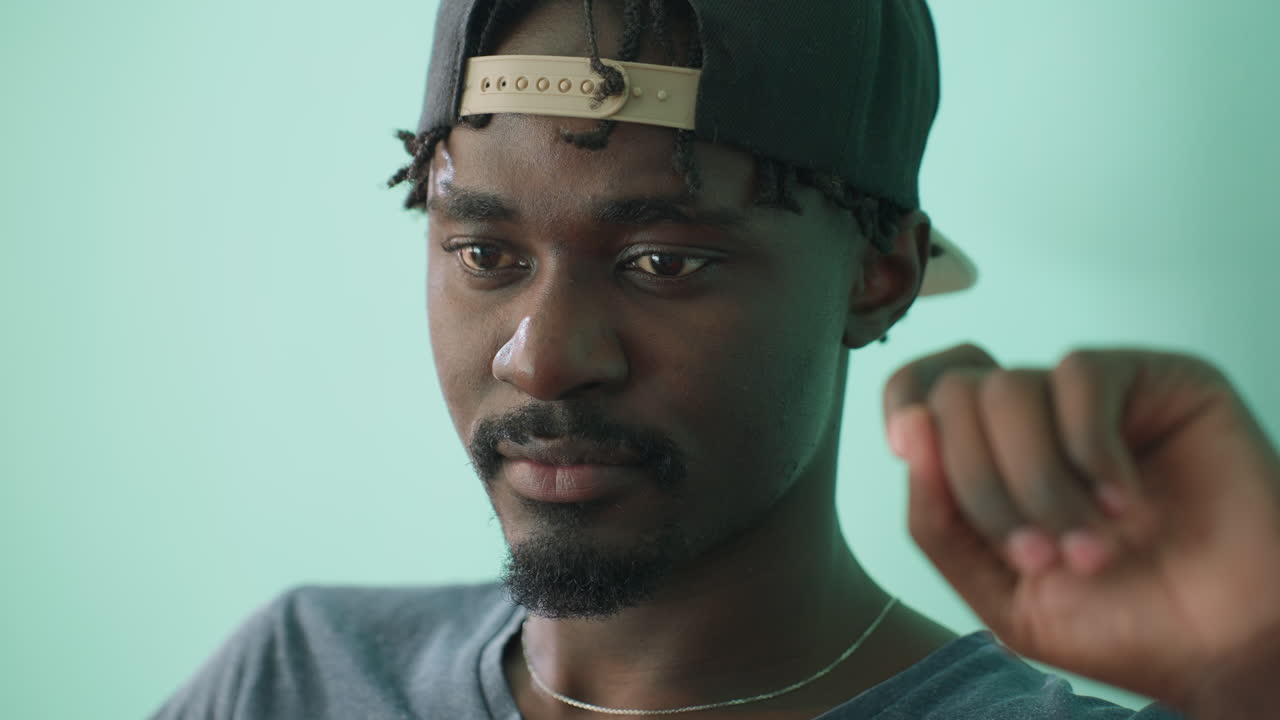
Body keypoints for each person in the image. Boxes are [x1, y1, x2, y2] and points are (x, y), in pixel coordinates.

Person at [151, 1, 1280, 718]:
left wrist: (1248, 678)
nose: (542, 361)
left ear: (877, 272)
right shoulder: (299, 678)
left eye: (662, 263)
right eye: (486, 252)